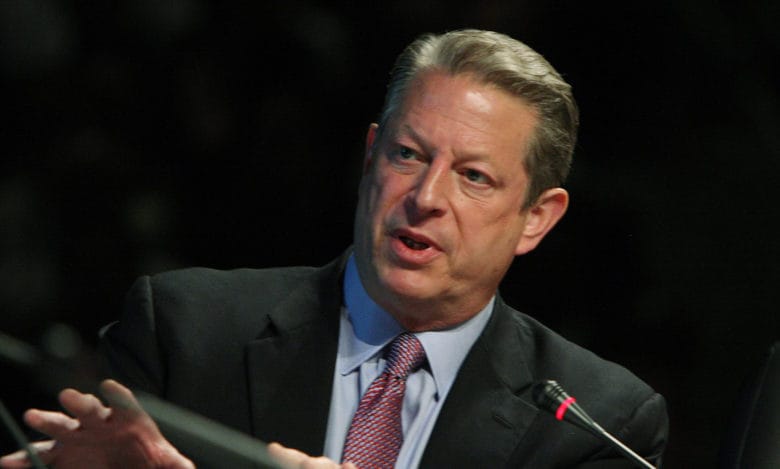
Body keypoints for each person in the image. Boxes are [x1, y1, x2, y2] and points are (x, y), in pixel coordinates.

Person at [0, 29, 668, 468]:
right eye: (408, 154)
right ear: (370, 156)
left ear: (536, 219)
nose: (426, 196)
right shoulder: (186, 330)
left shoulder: (593, 422)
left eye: (473, 176)